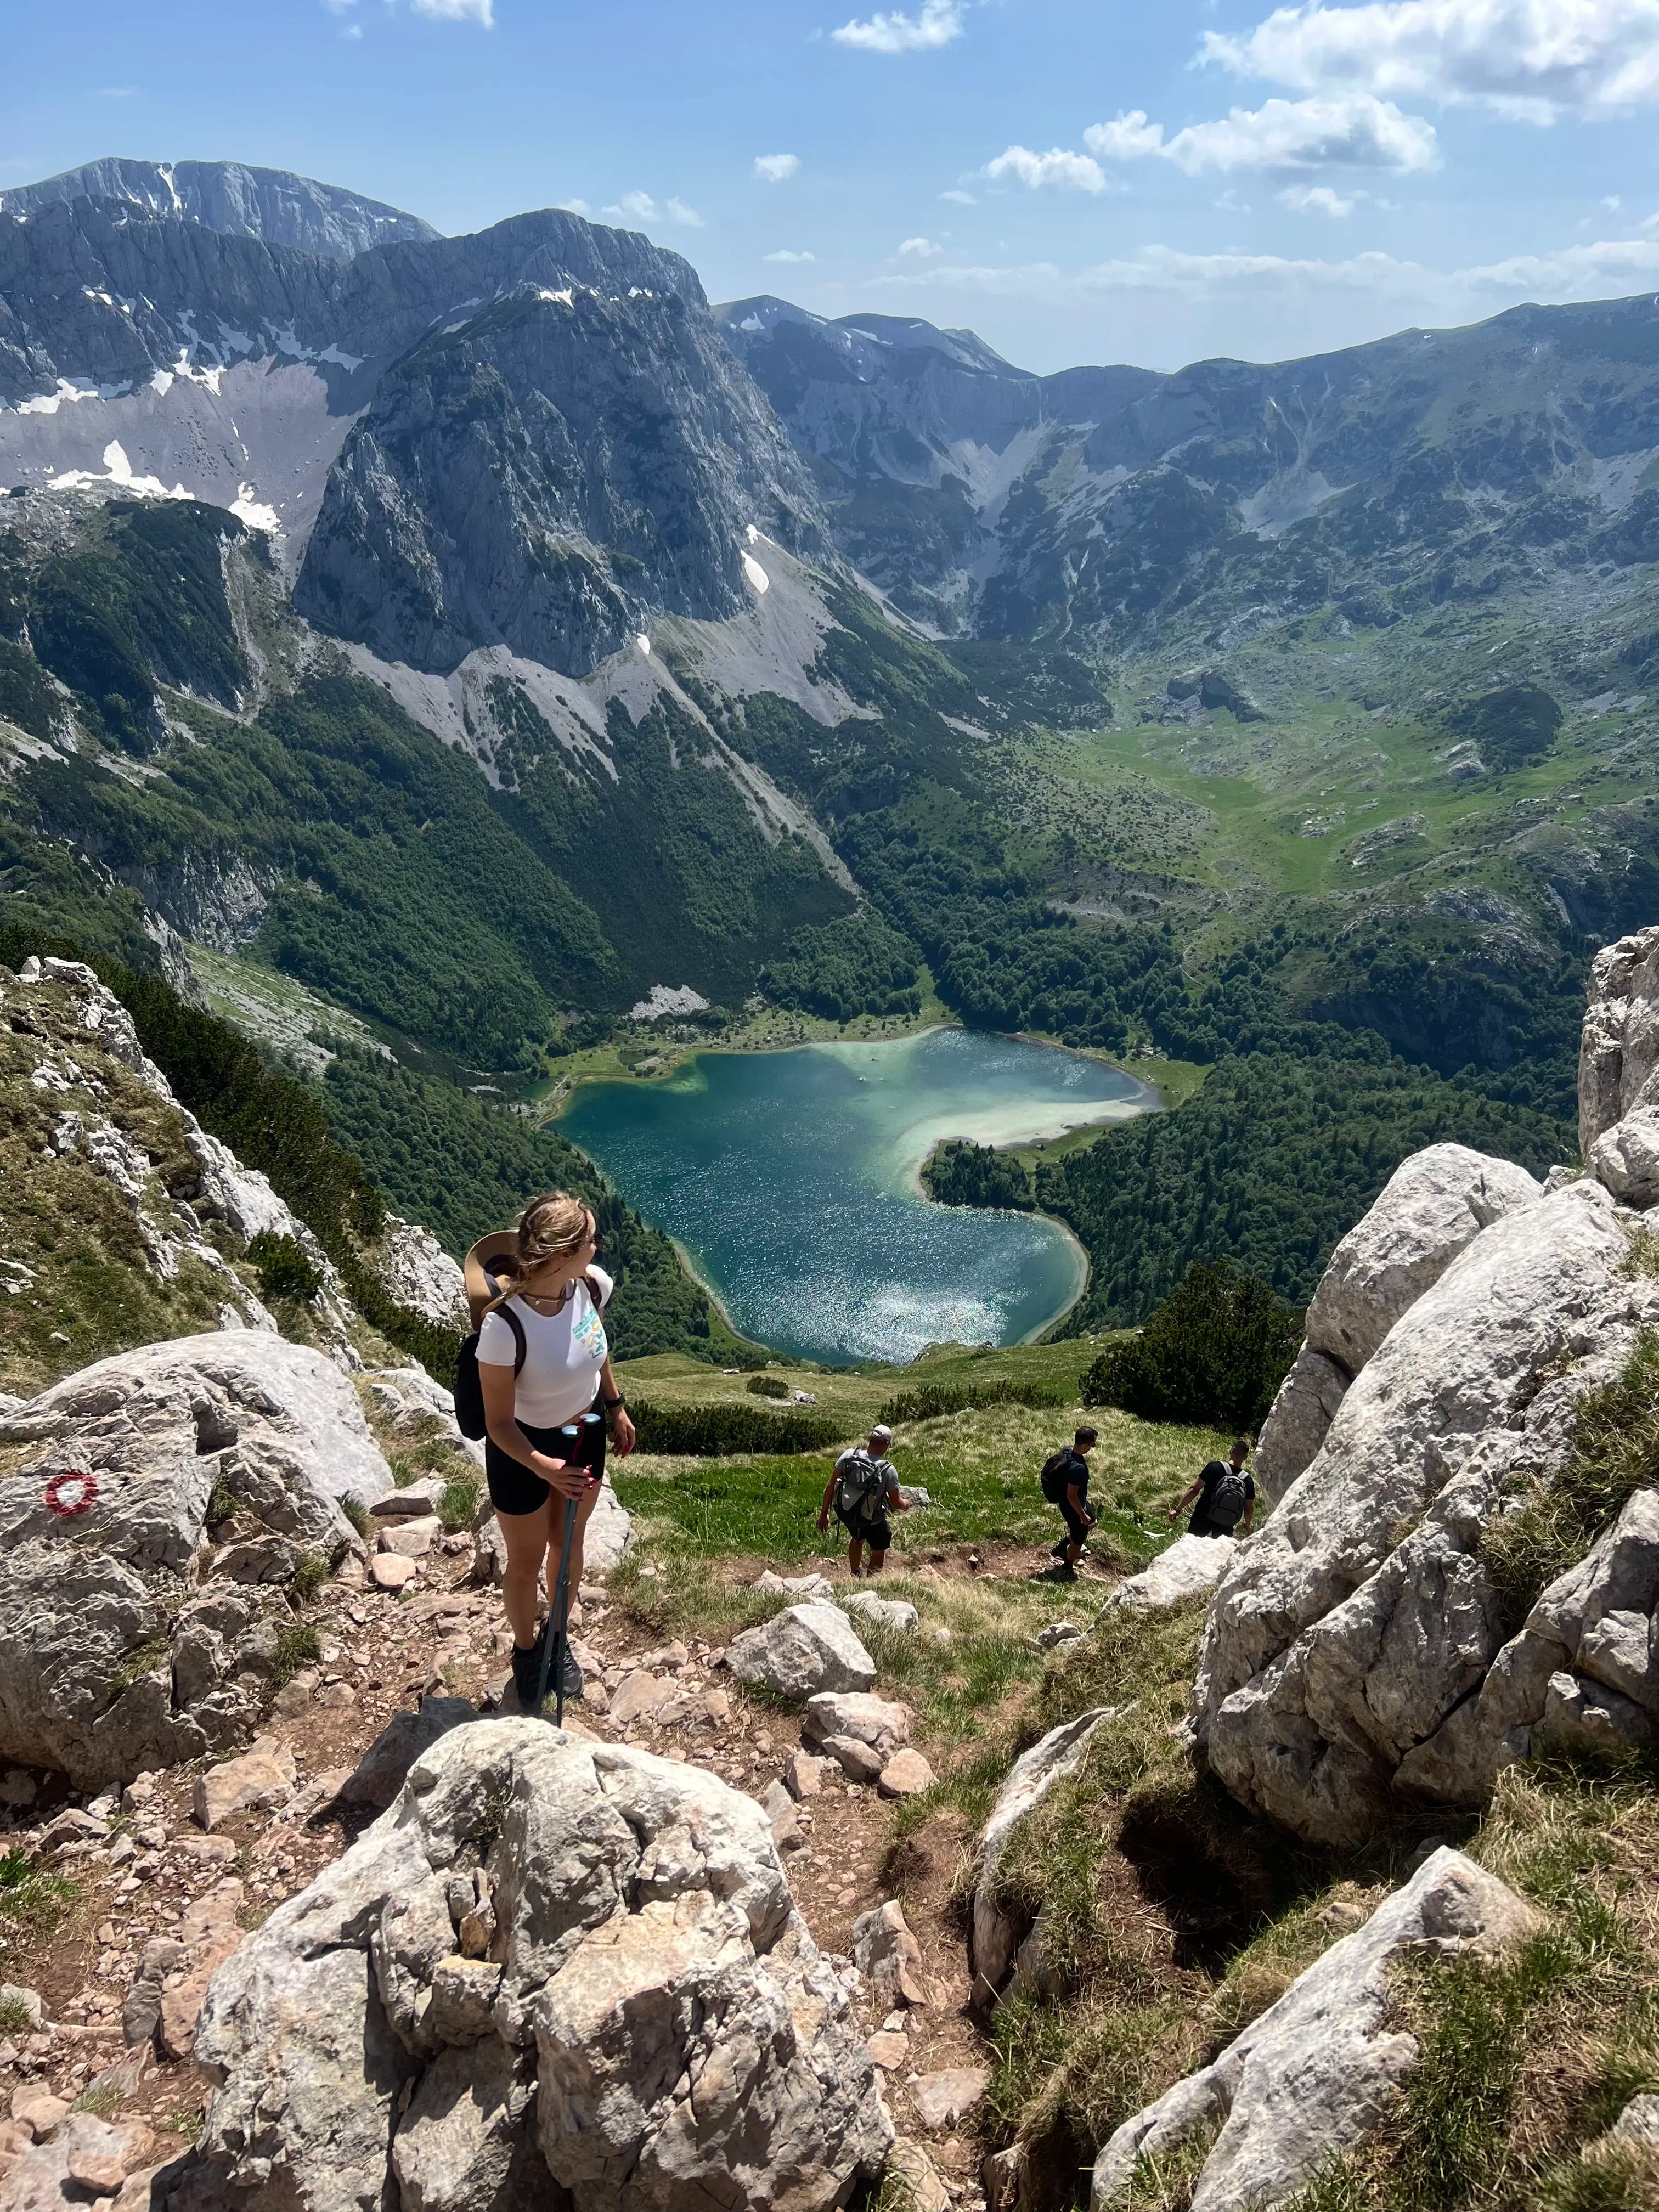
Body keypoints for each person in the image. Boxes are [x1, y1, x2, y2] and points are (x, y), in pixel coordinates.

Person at [468, 1193, 636, 1710]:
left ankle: (557, 1638)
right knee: (526, 1560)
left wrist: (616, 1406)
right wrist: (545, 1467)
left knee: (569, 1544)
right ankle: (526, 1651)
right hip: (524, 1450)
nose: (598, 1247)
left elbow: (594, 1346)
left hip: (583, 1435)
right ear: (564, 1253)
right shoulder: (503, 1327)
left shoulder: (589, 1286)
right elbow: (498, 1423)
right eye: (591, 1240)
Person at [819, 1423, 909, 1577]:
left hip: (848, 1512)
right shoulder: (888, 1470)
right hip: (873, 1519)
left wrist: (824, 1513)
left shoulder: (849, 1455)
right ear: (887, 1445)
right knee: (878, 1549)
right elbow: (896, 1503)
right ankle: (871, 1583)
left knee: (857, 1538)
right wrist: (906, 1504)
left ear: (870, 1439)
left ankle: (855, 1573)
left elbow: (831, 1484)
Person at [1032, 1426, 1098, 1581]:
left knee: (1093, 1522)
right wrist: (1082, 1515)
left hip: (1076, 1501)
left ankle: (1062, 1547)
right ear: (1084, 1445)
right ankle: (1067, 1567)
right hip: (1072, 1506)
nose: (1093, 1448)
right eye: (1092, 1445)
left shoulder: (1067, 1451)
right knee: (1080, 1537)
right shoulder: (1078, 1469)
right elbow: (1072, 1495)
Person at [1168, 1438, 1256, 1539]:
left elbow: (1194, 1490)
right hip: (1226, 1523)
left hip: (1202, 1518)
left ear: (1231, 1452)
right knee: (1220, 1549)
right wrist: (1248, 1525)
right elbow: (1249, 1509)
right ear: (1246, 1458)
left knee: (1193, 1545)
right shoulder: (1247, 1480)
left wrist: (1178, 1510)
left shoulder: (1214, 1467)